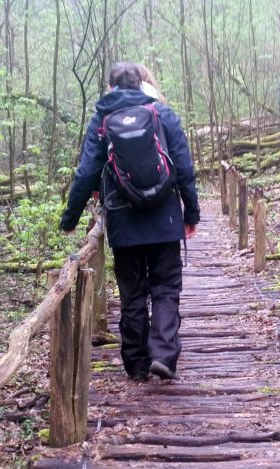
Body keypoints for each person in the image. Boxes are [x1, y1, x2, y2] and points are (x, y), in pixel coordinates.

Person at [59, 61, 199, 381]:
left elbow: (85, 175)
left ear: (111, 87)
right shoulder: (162, 114)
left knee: (133, 294)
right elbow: (185, 168)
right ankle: (163, 354)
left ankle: (136, 364)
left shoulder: (102, 120)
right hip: (164, 218)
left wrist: (69, 218)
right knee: (165, 288)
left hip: (124, 221)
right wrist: (191, 214)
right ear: (141, 84)